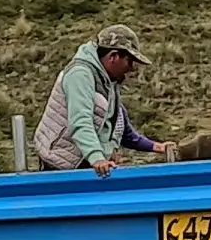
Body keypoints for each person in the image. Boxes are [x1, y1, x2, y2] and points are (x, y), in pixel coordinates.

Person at [34, 24, 151, 175]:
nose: (132, 68)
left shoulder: (109, 81)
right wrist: (97, 158)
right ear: (113, 56)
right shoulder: (80, 75)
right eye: (130, 61)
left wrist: (155, 147)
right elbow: (80, 122)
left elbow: (118, 125)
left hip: (88, 163)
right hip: (62, 166)